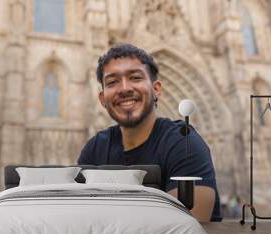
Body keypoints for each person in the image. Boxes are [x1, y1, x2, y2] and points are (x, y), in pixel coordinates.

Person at [77, 43, 220, 222]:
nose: (124, 89)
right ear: (102, 98)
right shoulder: (95, 148)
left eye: (135, 78)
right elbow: (79, 220)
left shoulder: (185, 144)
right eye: (112, 82)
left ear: (156, 89)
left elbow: (185, 233)